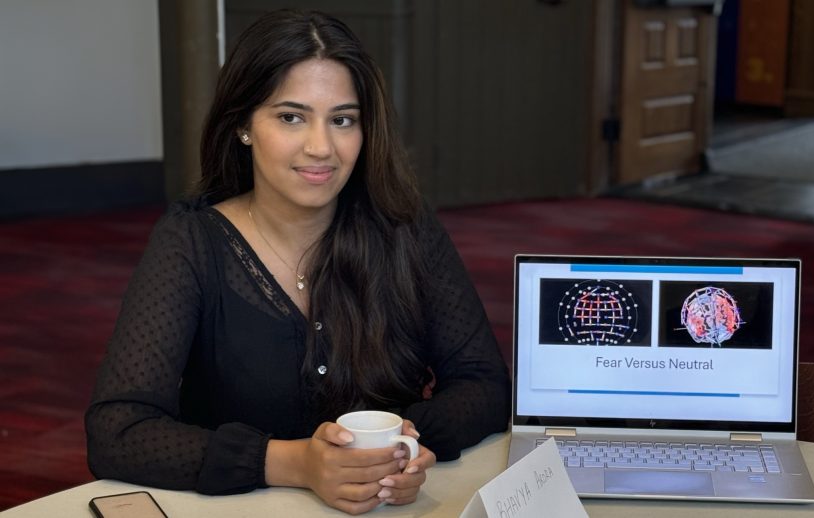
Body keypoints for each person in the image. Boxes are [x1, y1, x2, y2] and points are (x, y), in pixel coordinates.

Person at [85, 9, 510, 515]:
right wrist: (293, 463)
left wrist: (406, 446)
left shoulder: (404, 227)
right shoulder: (192, 241)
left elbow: (485, 384)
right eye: (291, 117)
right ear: (243, 125)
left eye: (342, 120)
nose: (321, 147)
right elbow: (118, 431)